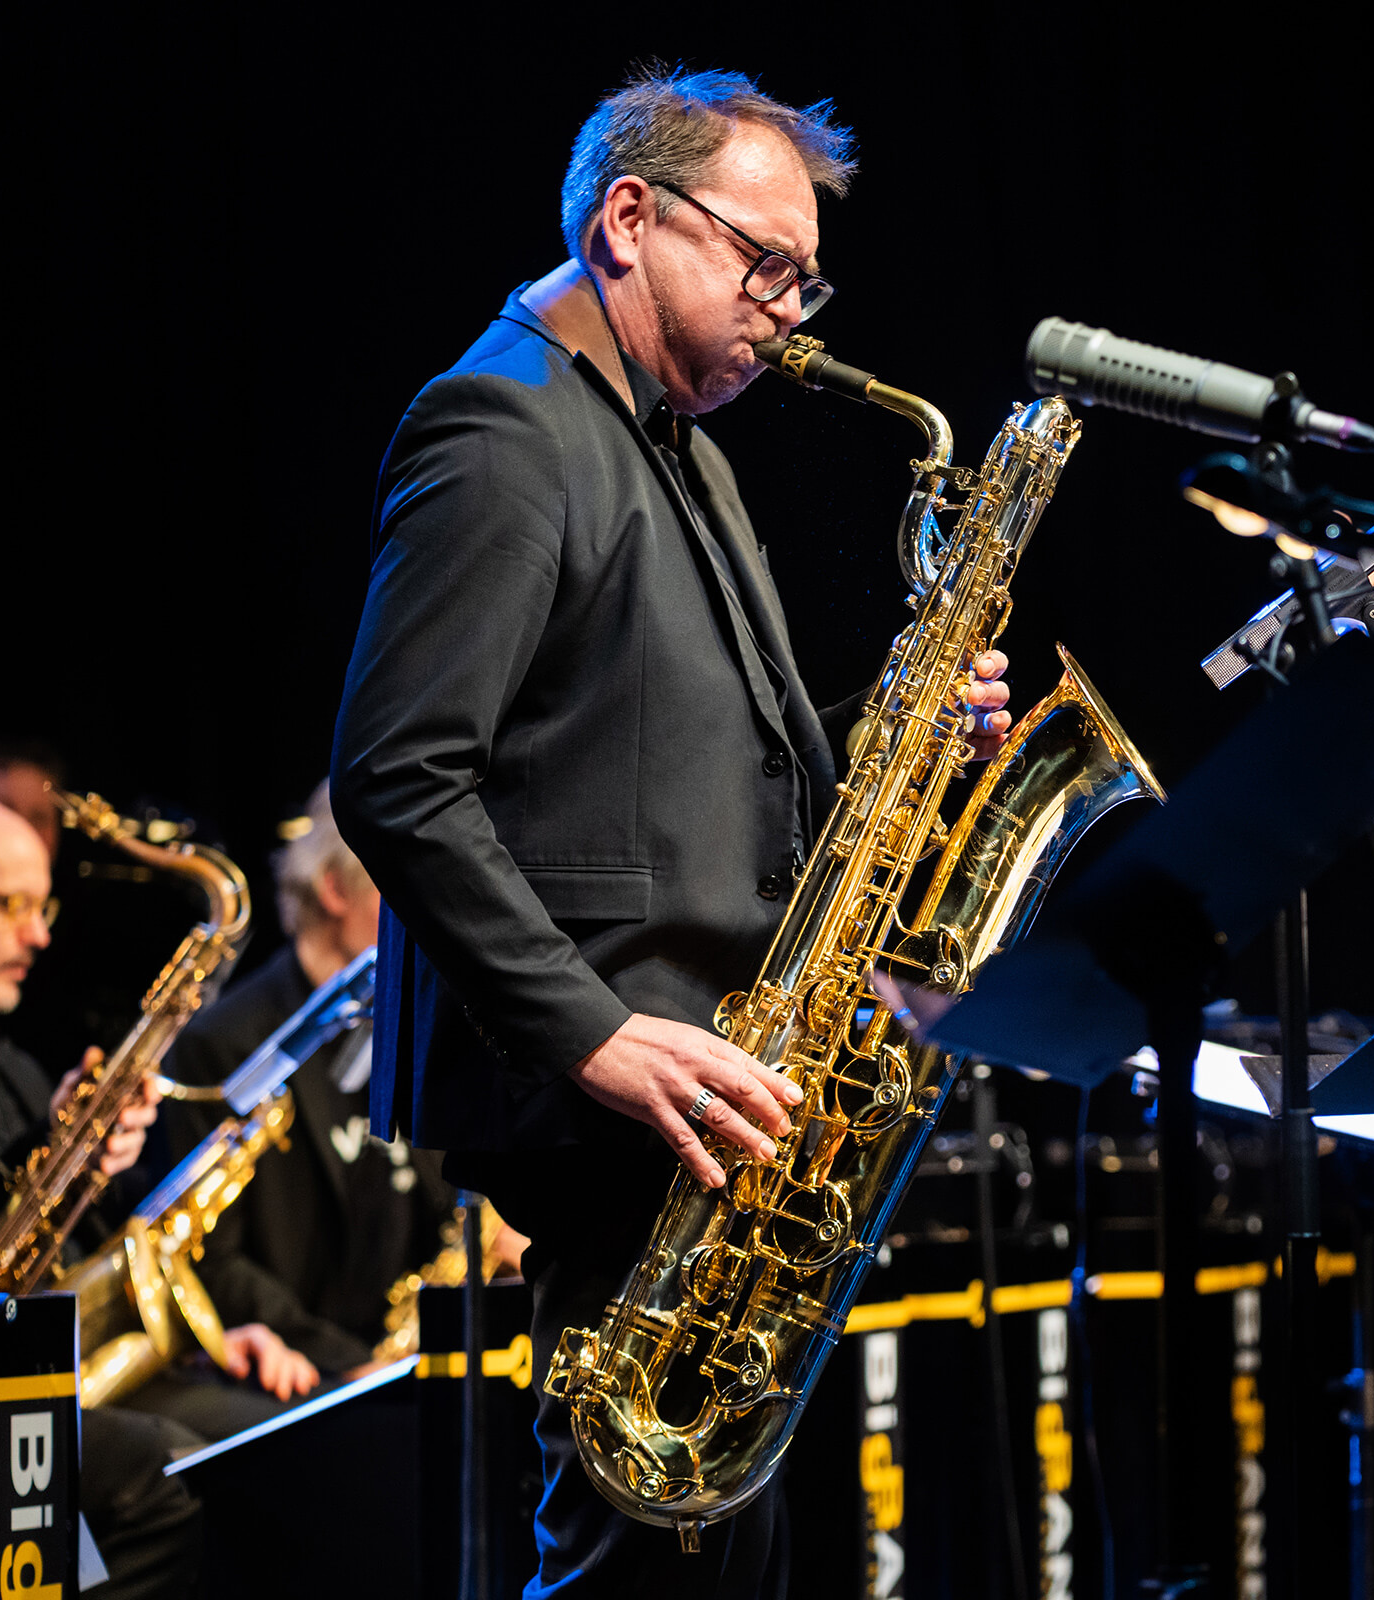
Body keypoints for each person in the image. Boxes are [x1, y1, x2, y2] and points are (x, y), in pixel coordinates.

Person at [329, 66, 1013, 1596]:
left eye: (806, 273)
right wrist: (594, 1033)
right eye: (763, 263)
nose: (791, 307)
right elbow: (396, 776)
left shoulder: (673, 437)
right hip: (617, 1095)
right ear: (628, 220)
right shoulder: (500, 425)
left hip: (709, 1084)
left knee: (700, 1557)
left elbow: (680, 745)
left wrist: (897, 729)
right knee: (647, 1555)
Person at [140, 780, 475, 1440]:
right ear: (334, 889)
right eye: (402, 886)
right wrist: (348, 1365)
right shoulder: (226, 1044)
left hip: (404, 1369)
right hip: (294, 1377)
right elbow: (206, 1255)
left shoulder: (417, 1024)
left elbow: (448, 1203)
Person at [0, 792, 203, 1598]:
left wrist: (89, 1154)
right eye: (12, 906)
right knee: (163, 1474)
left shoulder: (13, 1064)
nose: (40, 935)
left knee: (234, 1449)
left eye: (46, 907)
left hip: (30, 1365)